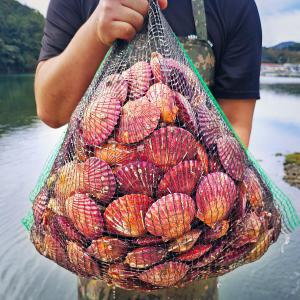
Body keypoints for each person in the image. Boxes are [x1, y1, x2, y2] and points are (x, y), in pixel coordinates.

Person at [35, 0, 262, 299]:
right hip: (101, 255)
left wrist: (203, 209)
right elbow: (50, 110)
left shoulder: (233, 6)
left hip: (193, 251)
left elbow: (235, 126)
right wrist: (95, 32)